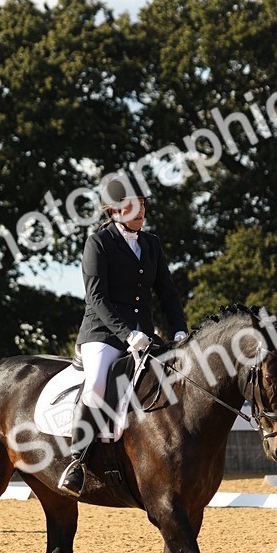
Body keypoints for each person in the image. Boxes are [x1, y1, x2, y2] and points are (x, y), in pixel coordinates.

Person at [58, 172, 188, 496]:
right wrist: (128, 334)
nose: (141, 211)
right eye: (133, 206)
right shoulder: (98, 243)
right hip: (102, 334)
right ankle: (78, 461)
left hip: (144, 334)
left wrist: (181, 330)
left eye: (142, 205)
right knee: (98, 382)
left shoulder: (151, 243)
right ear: (114, 210)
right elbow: (97, 298)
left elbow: (167, 293)